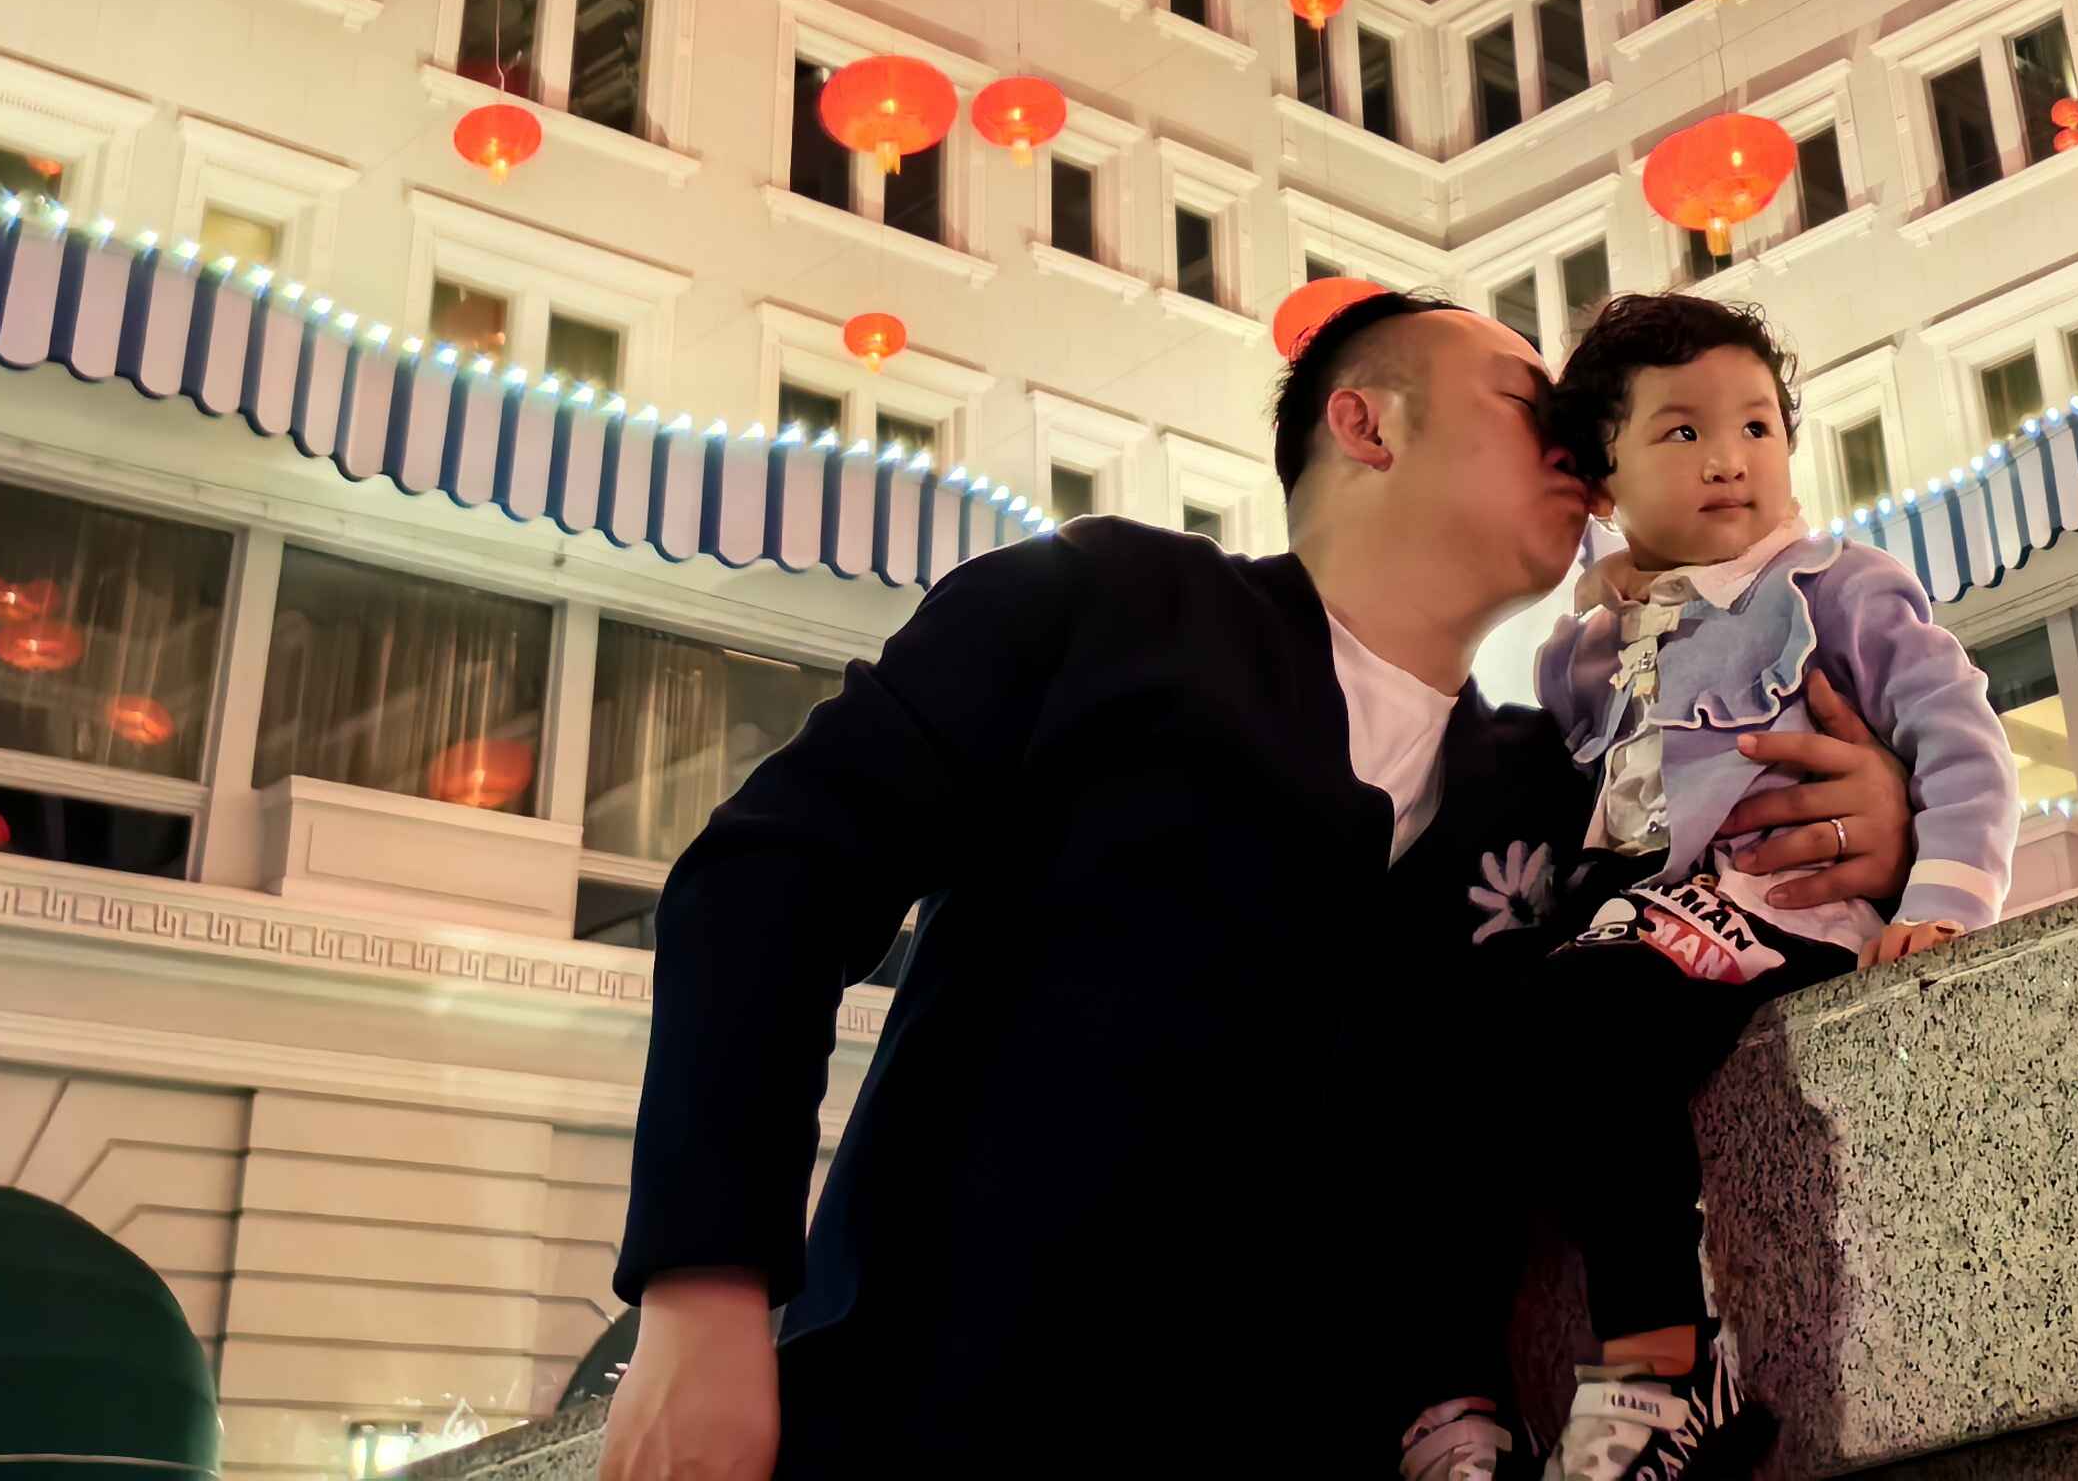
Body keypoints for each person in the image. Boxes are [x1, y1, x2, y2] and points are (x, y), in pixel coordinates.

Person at [600, 293, 1921, 1481]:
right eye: (1530, 404)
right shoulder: (1105, 604)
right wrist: (706, 1293)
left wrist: (1867, 828)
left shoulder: (1551, 784)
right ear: (1367, 423)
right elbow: (771, 875)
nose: (1577, 440)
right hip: (942, 1409)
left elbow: (1655, 990)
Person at [1500, 295, 2020, 1481]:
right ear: (1602, 480)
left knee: (1592, 1013)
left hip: (1787, 914)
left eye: (1756, 426)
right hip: (1648, 929)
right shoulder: (1577, 655)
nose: (1729, 458)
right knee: (1553, 1031)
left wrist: (1941, 899)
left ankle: (1661, 1370)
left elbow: (1956, 734)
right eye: (1681, 432)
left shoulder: (1836, 587)